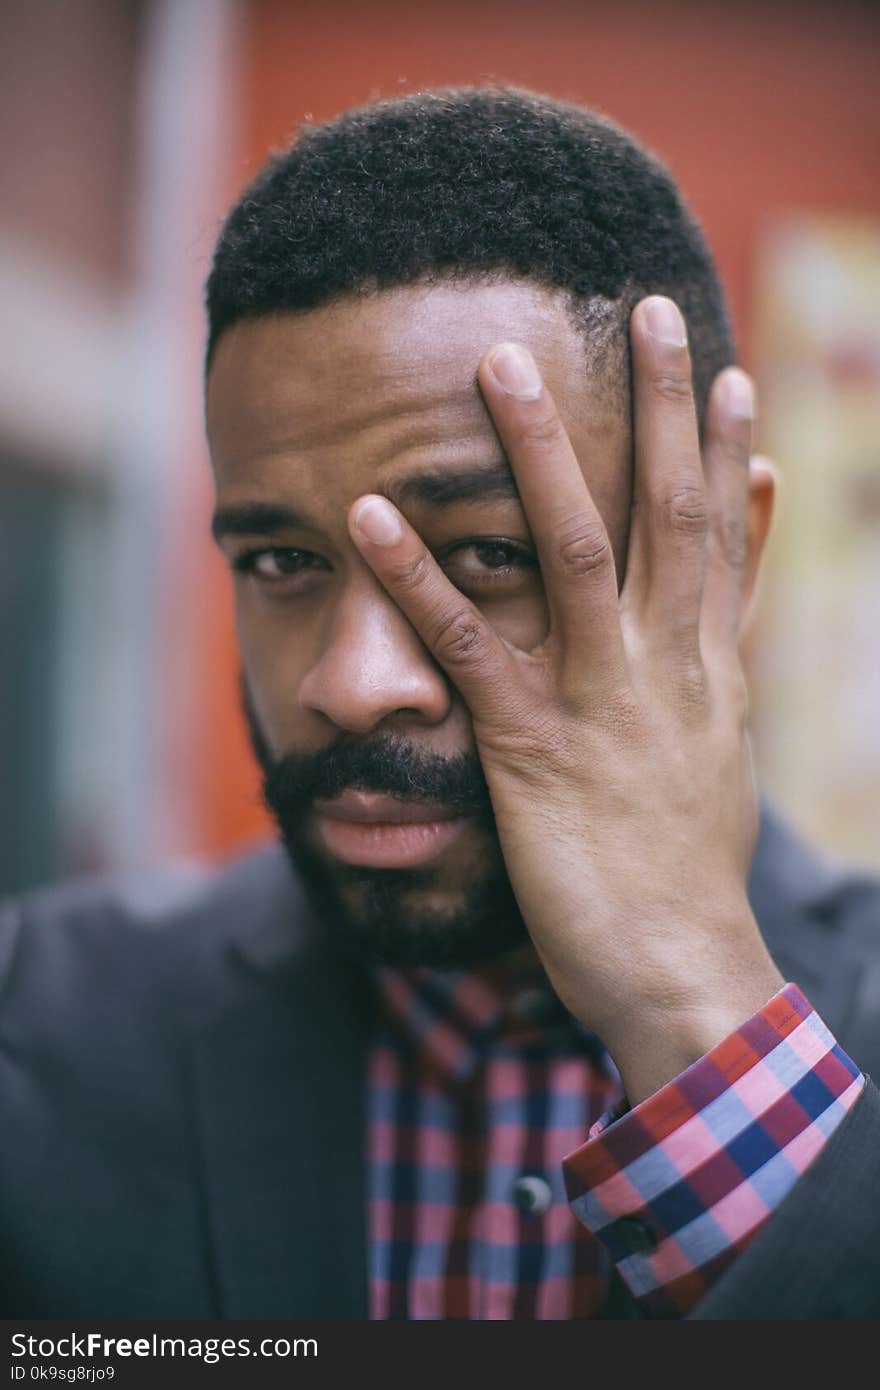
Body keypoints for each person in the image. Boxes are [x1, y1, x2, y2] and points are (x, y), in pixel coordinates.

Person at [2, 87, 879, 1322]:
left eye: (487, 556)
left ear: (720, 556)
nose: (353, 685)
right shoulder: (31, 1028)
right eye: (282, 562)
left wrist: (693, 1009)